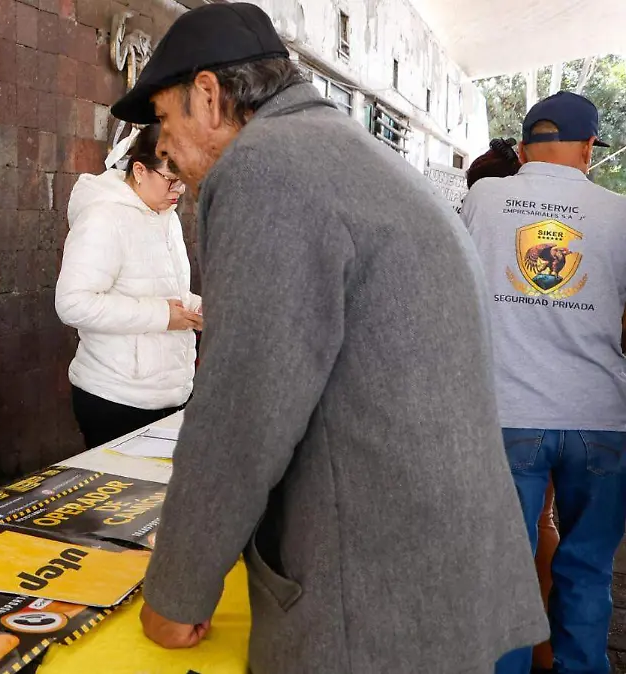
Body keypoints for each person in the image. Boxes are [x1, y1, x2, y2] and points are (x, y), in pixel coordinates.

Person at [109, 4, 547, 672]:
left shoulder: (264, 170)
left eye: (165, 121)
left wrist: (178, 590)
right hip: (436, 569)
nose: (161, 146)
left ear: (208, 96)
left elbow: (244, 405)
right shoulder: (345, 151)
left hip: (375, 598)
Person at [462, 91, 626, 674]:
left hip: (507, 414)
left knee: (503, 573)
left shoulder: (484, 199)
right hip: (600, 418)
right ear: (587, 148)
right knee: (588, 570)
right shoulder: (619, 211)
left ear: (526, 144)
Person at [466, 137, 559, 674]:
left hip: (503, 404)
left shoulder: (482, 232)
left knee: (513, 534)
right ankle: (545, 649)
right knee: (540, 525)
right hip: (556, 403)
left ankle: (517, 651)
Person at [55, 123, 202, 449]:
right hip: (117, 397)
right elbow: (72, 303)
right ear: (139, 170)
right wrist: (162, 316)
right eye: (170, 178)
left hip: (170, 391)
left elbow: (162, 291)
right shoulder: (104, 218)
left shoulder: (167, 217)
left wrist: (194, 307)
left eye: (185, 179)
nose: (178, 189)